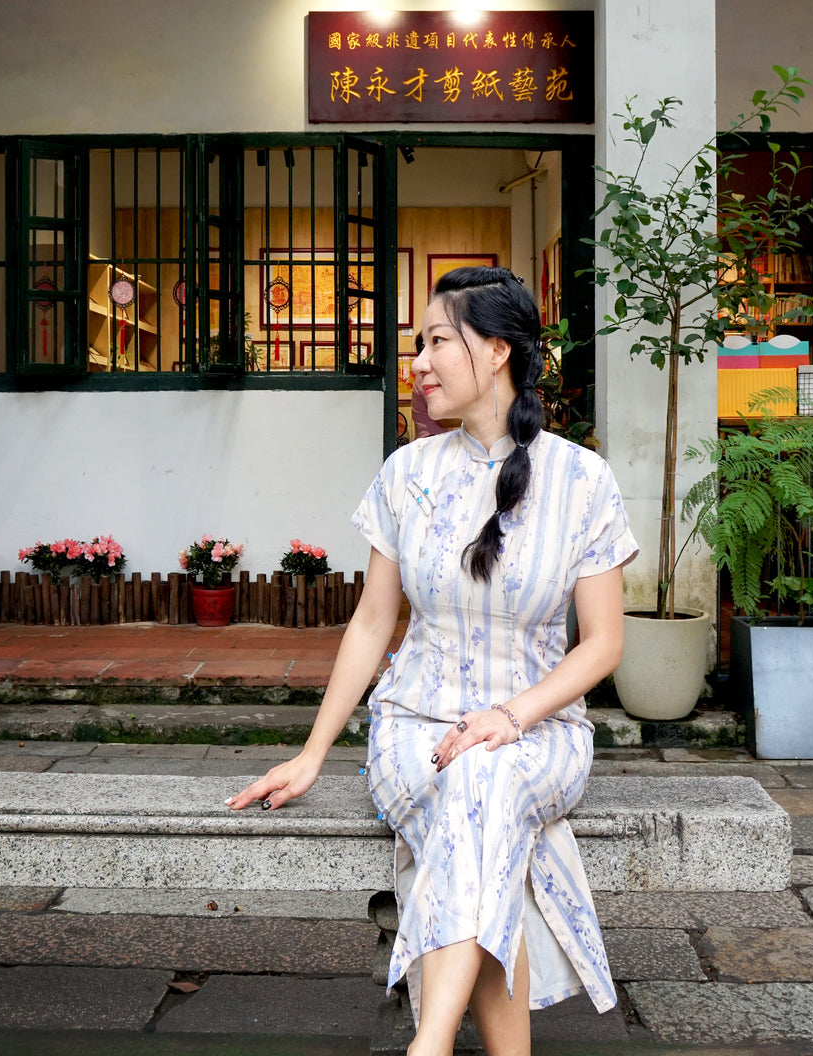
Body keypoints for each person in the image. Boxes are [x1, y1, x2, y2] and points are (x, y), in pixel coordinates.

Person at [228, 265, 637, 1056]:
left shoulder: (582, 480)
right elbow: (371, 623)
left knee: (485, 778)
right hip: (414, 730)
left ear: (496, 351)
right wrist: (313, 753)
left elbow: (604, 643)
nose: (418, 362)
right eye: (420, 344)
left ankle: (432, 1043)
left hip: (538, 733)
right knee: (483, 811)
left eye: (437, 341)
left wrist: (509, 717)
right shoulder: (407, 474)